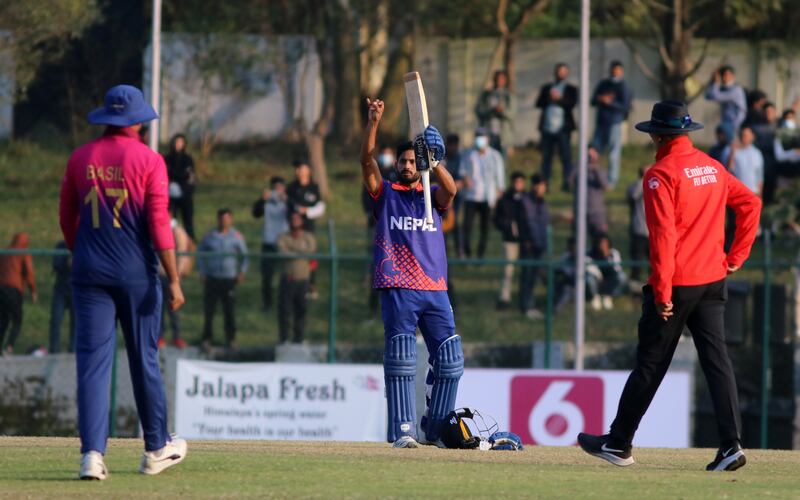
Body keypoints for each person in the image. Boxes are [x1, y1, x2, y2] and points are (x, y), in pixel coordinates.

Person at [578, 100, 761, 472]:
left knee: (650, 364)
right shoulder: (712, 167)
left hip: (677, 285)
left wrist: (661, 293)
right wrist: (736, 256)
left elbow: (663, 238)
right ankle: (731, 446)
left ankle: (618, 443)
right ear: (686, 132)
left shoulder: (659, 174)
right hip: (713, 280)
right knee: (717, 362)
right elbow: (752, 205)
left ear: (658, 135)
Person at [58, 85, 187, 479]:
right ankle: (156, 448)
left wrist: (84, 254)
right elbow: (159, 225)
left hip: (89, 275)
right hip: (136, 275)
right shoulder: (150, 160)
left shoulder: (80, 158)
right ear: (137, 121)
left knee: (93, 365)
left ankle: (92, 456)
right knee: (144, 359)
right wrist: (175, 279)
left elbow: (66, 218)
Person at [360, 97, 460, 448]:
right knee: (401, 358)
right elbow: (366, 160)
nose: (406, 165)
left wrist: (436, 160)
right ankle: (403, 432)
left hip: (435, 288)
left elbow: (452, 189)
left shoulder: (432, 194)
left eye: (411, 160)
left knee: (450, 360)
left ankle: (437, 431)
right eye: (402, 161)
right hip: (399, 285)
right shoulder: (385, 194)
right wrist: (373, 122)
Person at [197, 208, 249, 351]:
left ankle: (231, 339)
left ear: (231, 220)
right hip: (212, 278)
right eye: (221, 218)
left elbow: (245, 255)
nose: (224, 221)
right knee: (209, 311)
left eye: (226, 218)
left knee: (229, 310)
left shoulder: (236, 236)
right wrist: (202, 271)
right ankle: (207, 339)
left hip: (229, 279)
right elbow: (200, 253)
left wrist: (242, 272)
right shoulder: (210, 236)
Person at [461, 128, 505, 258]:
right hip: (471, 196)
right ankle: (467, 251)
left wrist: (499, 191)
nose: (480, 140)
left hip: (487, 197)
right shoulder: (468, 154)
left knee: (484, 228)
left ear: (488, 139)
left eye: (483, 137)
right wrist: (466, 178)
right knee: (467, 226)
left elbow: (500, 176)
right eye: (478, 137)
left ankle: (481, 253)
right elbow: (462, 170)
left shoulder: (495, 156)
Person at [536, 63, 578, 191]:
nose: (561, 74)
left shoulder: (571, 89)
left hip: (563, 129)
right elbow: (539, 103)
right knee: (546, 158)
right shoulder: (547, 88)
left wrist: (559, 99)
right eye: (559, 71)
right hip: (547, 128)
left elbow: (572, 104)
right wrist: (549, 97)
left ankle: (567, 182)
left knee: (566, 157)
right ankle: (545, 183)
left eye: (563, 72)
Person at [591, 61, 633, 187]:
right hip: (601, 122)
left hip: (614, 123)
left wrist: (610, 103)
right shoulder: (604, 84)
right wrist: (601, 99)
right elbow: (593, 100)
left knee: (613, 153)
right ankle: (593, 177)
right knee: (594, 150)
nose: (615, 73)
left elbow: (625, 107)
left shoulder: (623, 86)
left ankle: (611, 181)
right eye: (614, 70)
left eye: (618, 70)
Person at [277, 211, 317, 344]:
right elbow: (282, 252)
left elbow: (311, 250)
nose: (295, 222)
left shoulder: (308, 237)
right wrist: (300, 251)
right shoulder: (283, 237)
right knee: (285, 311)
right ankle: (284, 338)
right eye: (292, 219)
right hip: (287, 280)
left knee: (301, 310)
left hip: (303, 280)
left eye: (297, 219)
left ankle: (299, 338)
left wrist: (292, 250)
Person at [253, 176, 289, 312]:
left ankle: (283, 303)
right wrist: (263, 199)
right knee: (267, 277)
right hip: (268, 242)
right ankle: (267, 303)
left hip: (284, 242)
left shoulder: (287, 201)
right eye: (275, 188)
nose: (278, 191)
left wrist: (287, 200)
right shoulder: (266, 202)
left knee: (284, 276)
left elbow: (296, 214)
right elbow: (255, 213)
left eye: (280, 188)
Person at [158, 220, 194, 349]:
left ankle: (176, 336)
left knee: (174, 309)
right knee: (159, 308)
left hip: (173, 276)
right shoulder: (156, 226)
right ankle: (160, 336)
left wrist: (177, 275)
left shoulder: (177, 231)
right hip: (159, 275)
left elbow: (182, 251)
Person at [494, 171, 527, 309]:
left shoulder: (526, 199)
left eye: (521, 182)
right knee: (508, 271)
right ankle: (505, 298)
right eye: (516, 182)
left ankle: (525, 298)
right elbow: (496, 219)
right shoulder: (505, 199)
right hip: (510, 241)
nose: (518, 184)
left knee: (527, 271)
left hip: (526, 241)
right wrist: (508, 226)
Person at [0, 232, 37, 355]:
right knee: (17, 320)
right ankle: (9, 346)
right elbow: (29, 272)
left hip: (1, 289)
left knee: (3, 320)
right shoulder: (23, 253)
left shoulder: (5, 252)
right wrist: (33, 291)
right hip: (15, 290)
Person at [519, 174, 549, 319]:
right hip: (530, 245)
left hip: (539, 245)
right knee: (527, 276)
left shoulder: (542, 203)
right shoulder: (527, 201)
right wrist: (532, 241)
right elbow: (529, 223)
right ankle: (526, 306)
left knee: (534, 277)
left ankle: (530, 304)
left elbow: (543, 224)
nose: (541, 188)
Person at [571, 147, 610, 237]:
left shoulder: (601, 169)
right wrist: (580, 164)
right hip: (580, 211)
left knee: (599, 238)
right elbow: (569, 182)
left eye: (592, 155)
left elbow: (605, 185)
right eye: (588, 155)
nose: (589, 158)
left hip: (596, 212)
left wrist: (595, 168)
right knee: (578, 238)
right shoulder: (578, 167)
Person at [553, 237, 600, 312]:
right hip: (571, 287)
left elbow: (597, 277)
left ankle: (593, 298)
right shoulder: (564, 259)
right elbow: (558, 271)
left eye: (575, 247)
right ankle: (555, 309)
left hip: (585, 288)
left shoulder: (587, 260)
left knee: (589, 279)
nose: (574, 250)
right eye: (571, 247)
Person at [164, 133, 196, 239]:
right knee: (171, 222)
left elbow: (191, 177)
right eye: (176, 142)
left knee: (188, 222)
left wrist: (185, 190)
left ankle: (190, 245)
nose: (178, 144)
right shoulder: (167, 159)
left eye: (180, 142)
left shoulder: (188, 159)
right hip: (169, 196)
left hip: (185, 194)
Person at [475, 69, 515, 154]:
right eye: (497, 78)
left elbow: (512, 114)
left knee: (502, 162)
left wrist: (502, 111)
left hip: (503, 135)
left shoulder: (508, 95)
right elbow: (478, 110)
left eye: (502, 79)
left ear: (505, 80)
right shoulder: (486, 94)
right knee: (486, 160)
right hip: (487, 133)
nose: (499, 81)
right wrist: (490, 111)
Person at [589, 233, 628, 311]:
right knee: (589, 279)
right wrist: (599, 276)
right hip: (597, 279)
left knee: (622, 277)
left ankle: (608, 296)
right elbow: (590, 268)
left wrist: (607, 257)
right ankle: (595, 297)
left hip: (610, 277)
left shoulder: (614, 253)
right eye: (600, 243)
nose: (602, 245)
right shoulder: (590, 254)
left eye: (604, 243)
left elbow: (617, 269)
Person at [723, 125, 764, 196]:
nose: (744, 138)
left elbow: (759, 175)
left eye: (747, 135)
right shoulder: (730, 151)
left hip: (753, 192)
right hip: (737, 193)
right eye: (742, 135)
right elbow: (727, 171)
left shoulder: (757, 153)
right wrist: (732, 153)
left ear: (753, 137)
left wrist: (760, 193)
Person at [48, 240, 74, 354]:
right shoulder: (61, 246)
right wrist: (66, 263)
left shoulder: (82, 244)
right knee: (55, 320)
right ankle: (54, 349)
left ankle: (73, 348)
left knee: (76, 321)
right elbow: (56, 264)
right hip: (61, 290)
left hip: (76, 289)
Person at [705, 66, 747, 133]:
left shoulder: (736, 90)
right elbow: (708, 96)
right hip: (727, 125)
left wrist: (716, 82)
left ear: (733, 76)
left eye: (727, 74)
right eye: (723, 75)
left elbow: (716, 96)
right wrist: (712, 81)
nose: (726, 77)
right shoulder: (724, 88)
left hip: (736, 126)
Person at [442, 134, 465, 257]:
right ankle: (443, 249)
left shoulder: (459, 158)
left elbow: (461, 181)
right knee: (442, 224)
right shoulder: (441, 157)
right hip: (442, 195)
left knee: (455, 223)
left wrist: (452, 185)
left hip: (456, 197)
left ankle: (459, 251)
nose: (452, 148)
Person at [626, 167, 649, 285]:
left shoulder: (654, 184)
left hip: (653, 232)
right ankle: (634, 286)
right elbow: (633, 195)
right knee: (637, 261)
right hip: (639, 230)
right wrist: (643, 180)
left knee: (654, 263)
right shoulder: (636, 186)